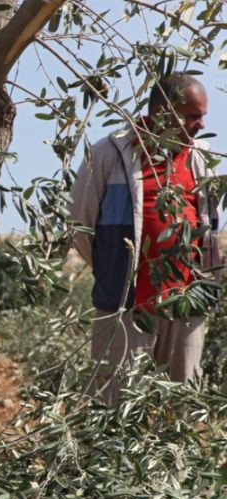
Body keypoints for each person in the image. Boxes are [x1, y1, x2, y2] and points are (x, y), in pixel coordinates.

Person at [70, 73, 219, 403]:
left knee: (182, 406)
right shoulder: (110, 153)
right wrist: (113, 270)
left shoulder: (200, 156)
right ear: (164, 113)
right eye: (193, 116)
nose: (201, 124)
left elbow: (209, 226)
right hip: (127, 307)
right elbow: (81, 225)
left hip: (187, 306)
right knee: (114, 406)